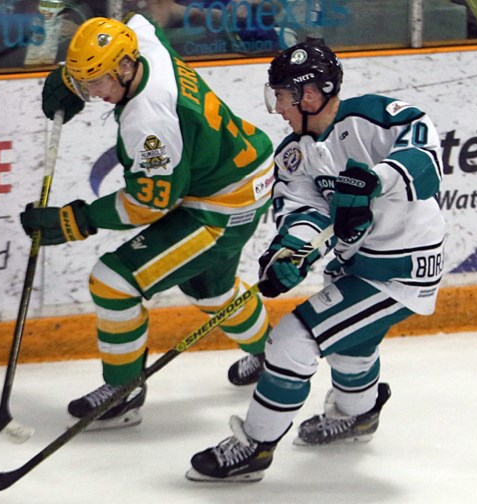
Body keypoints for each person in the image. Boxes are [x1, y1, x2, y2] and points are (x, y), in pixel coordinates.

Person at [186, 39, 446, 482]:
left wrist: (374, 180)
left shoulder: (373, 117)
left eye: (281, 97)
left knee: (293, 339)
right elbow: (304, 212)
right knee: (351, 348)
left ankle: (254, 446)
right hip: (356, 265)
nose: (278, 108)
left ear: (308, 95)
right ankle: (357, 416)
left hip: (400, 267)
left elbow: (426, 156)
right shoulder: (294, 154)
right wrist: (290, 254)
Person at [22, 14, 276, 430]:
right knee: (211, 290)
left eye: (97, 82)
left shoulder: (149, 122)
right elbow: (139, 21)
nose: (93, 93)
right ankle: (275, 356)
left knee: (114, 281)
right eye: (85, 83)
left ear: (125, 68)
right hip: (238, 168)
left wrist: (78, 219)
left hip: (222, 203)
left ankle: (123, 390)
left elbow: (150, 203)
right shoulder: (141, 44)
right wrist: (69, 77)